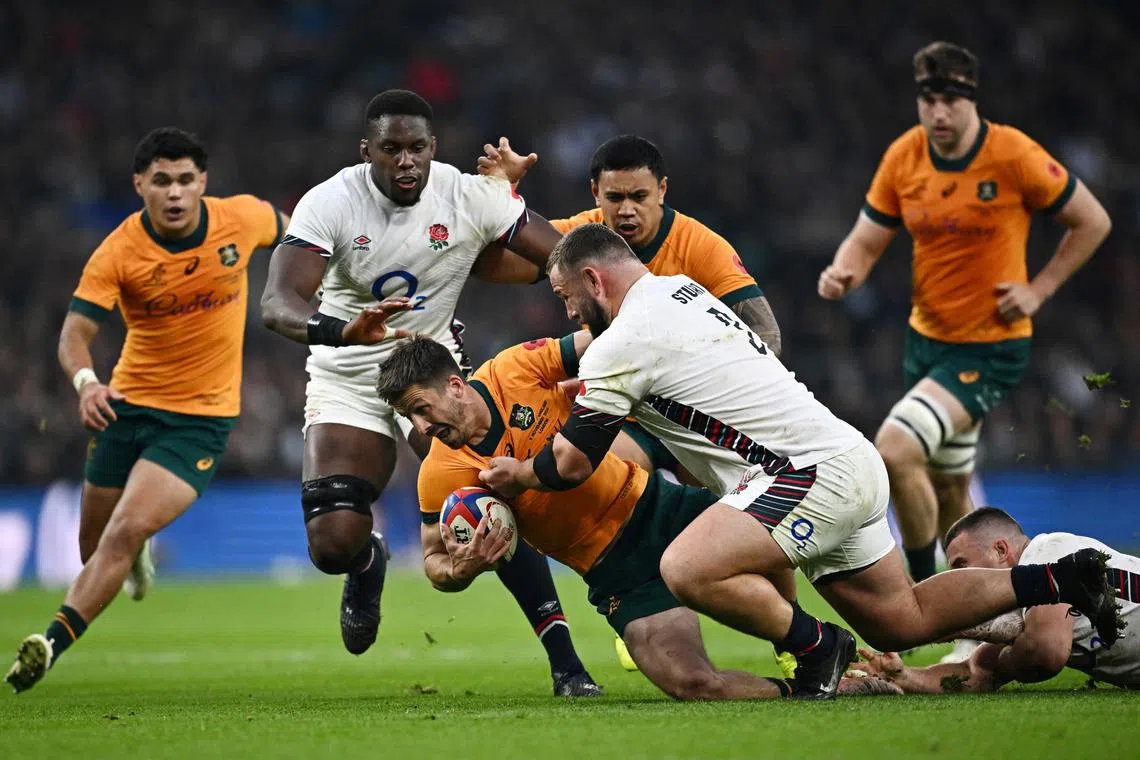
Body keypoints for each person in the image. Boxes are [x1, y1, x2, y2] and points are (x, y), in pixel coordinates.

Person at [478, 223, 1123, 700]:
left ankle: (818, 648)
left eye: (567, 297)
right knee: (903, 619)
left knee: (685, 566)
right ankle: (1057, 582)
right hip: (847, 458)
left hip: (804, 473)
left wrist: (519, 475)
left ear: (595, 279)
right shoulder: (679, 292)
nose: (567, 312)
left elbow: (570, 463)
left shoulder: (619, 344)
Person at [258, 90, 598, 696]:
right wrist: (345, 330)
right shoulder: (330, 202)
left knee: (498, 492)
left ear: (433, 148)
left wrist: (619, 302)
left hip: (433, 376)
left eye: (417, 147)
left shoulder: (468, 196)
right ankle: (367, 563)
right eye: (391, 150)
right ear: (368, 152)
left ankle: (567, 665)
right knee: (331, 544)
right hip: (348, 378)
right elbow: (277, 304)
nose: (406, 160)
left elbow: (562, 256)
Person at [817, 42, 1111, 604]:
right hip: (925, 342)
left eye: (950, 99)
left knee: (896, 449)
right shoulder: (905, 156)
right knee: (952, 486)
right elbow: (867, 236)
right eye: (929, 99)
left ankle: (921, 587)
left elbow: (1092, 220)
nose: (939, 112)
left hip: (989, 347)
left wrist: (1039, 289)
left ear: (972, 99)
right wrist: (844, 272)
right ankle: (985, 613)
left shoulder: (1012, 154)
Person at [5, 128, 288, 693]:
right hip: (128, 406)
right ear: (140, 186)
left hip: (201, 420)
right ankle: (137, 555)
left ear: (202, 183)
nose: (176, 193)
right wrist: (87, 384)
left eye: (186, 180)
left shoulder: (241, 219)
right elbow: (73, 335)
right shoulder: (119, 251)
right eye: (162, 181)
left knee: (126, 526)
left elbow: (303, 232)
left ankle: (48, 644)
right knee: (95, 547)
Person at [377, 333, 799, 701]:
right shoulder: (439, 472)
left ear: (454, 386)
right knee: (692, 683)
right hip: (614, 572)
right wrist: (461, 570)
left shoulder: (513, 370)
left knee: (770, 531)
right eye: (409, 417)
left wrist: (603, 379)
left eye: (421, 409)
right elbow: (434, 561)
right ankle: (799, 692)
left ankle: (804, 646)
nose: (420, 426)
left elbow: (603, 340)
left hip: (655, 507)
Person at [478, 134, 781, 477]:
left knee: (715, 494)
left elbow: (766, 334)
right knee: (577, 471)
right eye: (615, 197)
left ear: (662, 190)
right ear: (595, 192)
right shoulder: (579, 238)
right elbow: (491, 265)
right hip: (625, 411)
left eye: (639, 197)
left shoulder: (701, 246)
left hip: (698, 410)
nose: (626, 210)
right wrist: (496, 198)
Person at [855, 508, 1138, 692]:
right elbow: (975, 672)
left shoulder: (1049, 551)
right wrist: (903, 676)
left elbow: (1045, 651)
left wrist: (1002, 648)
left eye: (961, 567)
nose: (958, 582)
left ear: (1001, 550)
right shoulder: (1026, 608)